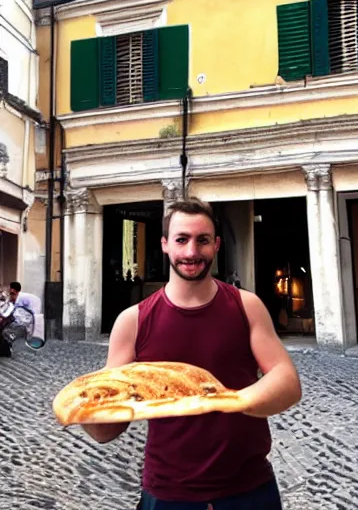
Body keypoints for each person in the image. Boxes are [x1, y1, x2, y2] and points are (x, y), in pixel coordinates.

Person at [82, 197, 302, 509]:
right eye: (181, 240)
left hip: (249, 486)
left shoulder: (246, 306)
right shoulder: (133, 321)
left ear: (216, 245)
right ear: (164, 244)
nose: (191, 252)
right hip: (168, 493)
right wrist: (84, 407)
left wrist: (227, 400)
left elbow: (287, 381)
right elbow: (106, 430)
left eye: (202, 240)